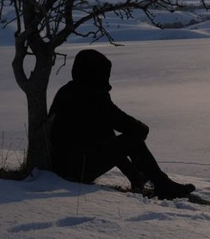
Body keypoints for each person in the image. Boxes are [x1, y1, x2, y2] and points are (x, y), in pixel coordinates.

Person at [48, 49, 195, 200]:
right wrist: (142, 129)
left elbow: (106, 134)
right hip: (76, 168)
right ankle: (164, 186)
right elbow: (121, 121)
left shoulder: (68, 90)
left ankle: (137, 177)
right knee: (132, 140)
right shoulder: (91, 95)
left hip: (65, 164)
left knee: (107, 132)